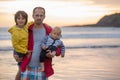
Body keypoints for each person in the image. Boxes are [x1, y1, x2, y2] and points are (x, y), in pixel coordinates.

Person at [21, 6, 61, 80]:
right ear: (33, 16)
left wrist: (53, 53)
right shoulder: (27, 29)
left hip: (42, 69)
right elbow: (19, 41)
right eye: (37, 15)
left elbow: (59, 46)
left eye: (41, 15)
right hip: (27, 67)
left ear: (44, 16)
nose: (39, 17)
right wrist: (16, 53)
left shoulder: (49, 30)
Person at [8, 11, 31, 80]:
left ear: (26, 20)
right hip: (20, 52)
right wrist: (25, 51)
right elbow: (15, 45)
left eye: (23, 18)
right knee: (21, 70)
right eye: (18, 18)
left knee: (27, 69)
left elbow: (30, 23)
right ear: (16, 20)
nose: (21, 20)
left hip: (24, 50)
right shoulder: (15, 31)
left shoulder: (25, 27)